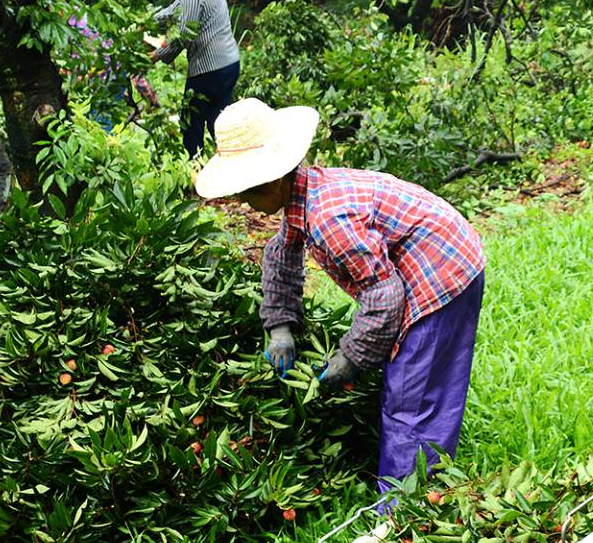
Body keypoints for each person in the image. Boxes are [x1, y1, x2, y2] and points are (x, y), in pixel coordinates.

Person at [195, 99, 486, 490]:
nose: (243, 202)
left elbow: (383, 296)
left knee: (412, 398)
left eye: (247, 193)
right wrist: (279, 326)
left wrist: (352, 355)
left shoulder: (328, 219)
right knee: (417, 385)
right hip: (440, 253)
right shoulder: (305, 194)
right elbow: (282, 254)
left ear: (275, 181)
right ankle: (424, 490)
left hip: (441, 269)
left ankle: (406, 510)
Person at [146, 0, 241, 157]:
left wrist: (158, 56)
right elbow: (174, 11)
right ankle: (234, 169)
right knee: (219, 122)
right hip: (229, 63)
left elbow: (185, 35)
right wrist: (147, 22)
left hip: (209, 70)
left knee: (190, 124)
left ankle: (195, 173)